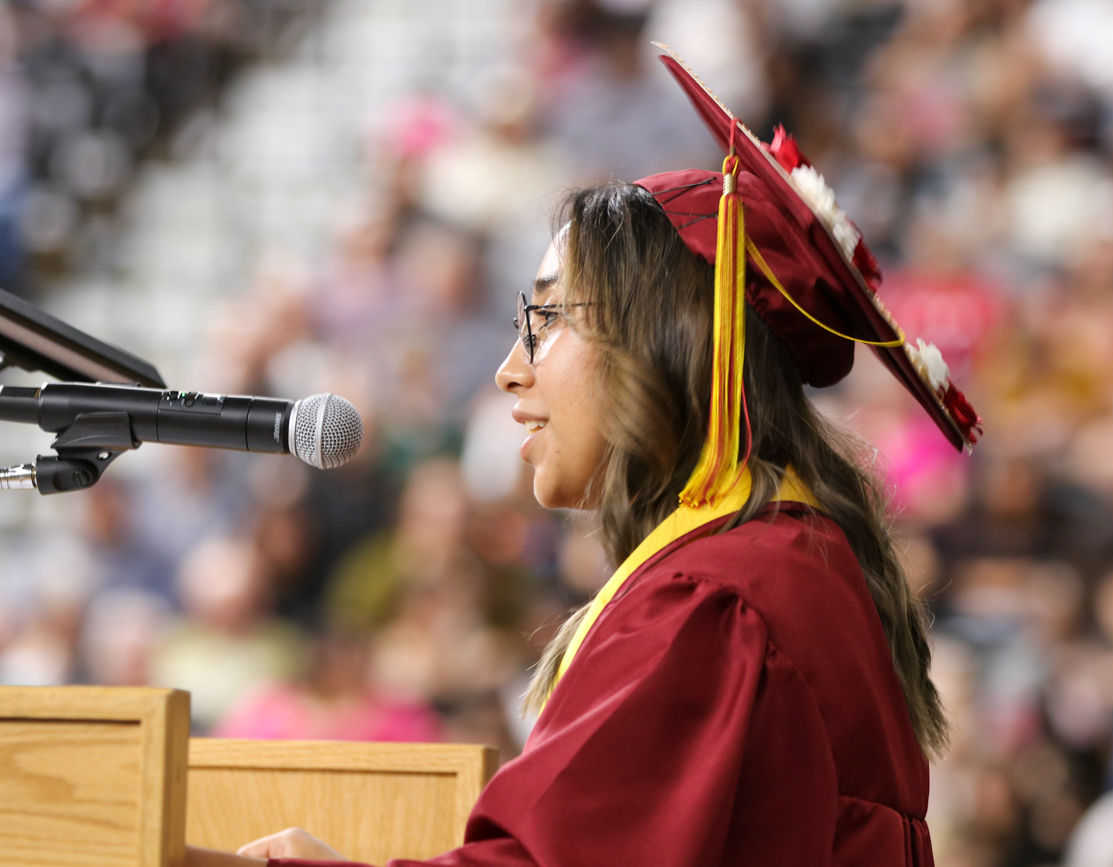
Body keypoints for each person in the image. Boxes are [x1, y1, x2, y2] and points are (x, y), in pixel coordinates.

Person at [185, 50, 981, 867]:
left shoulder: (714, 601)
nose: (509, 368)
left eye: (547, 318)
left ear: (662, 344)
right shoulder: (792, 562)